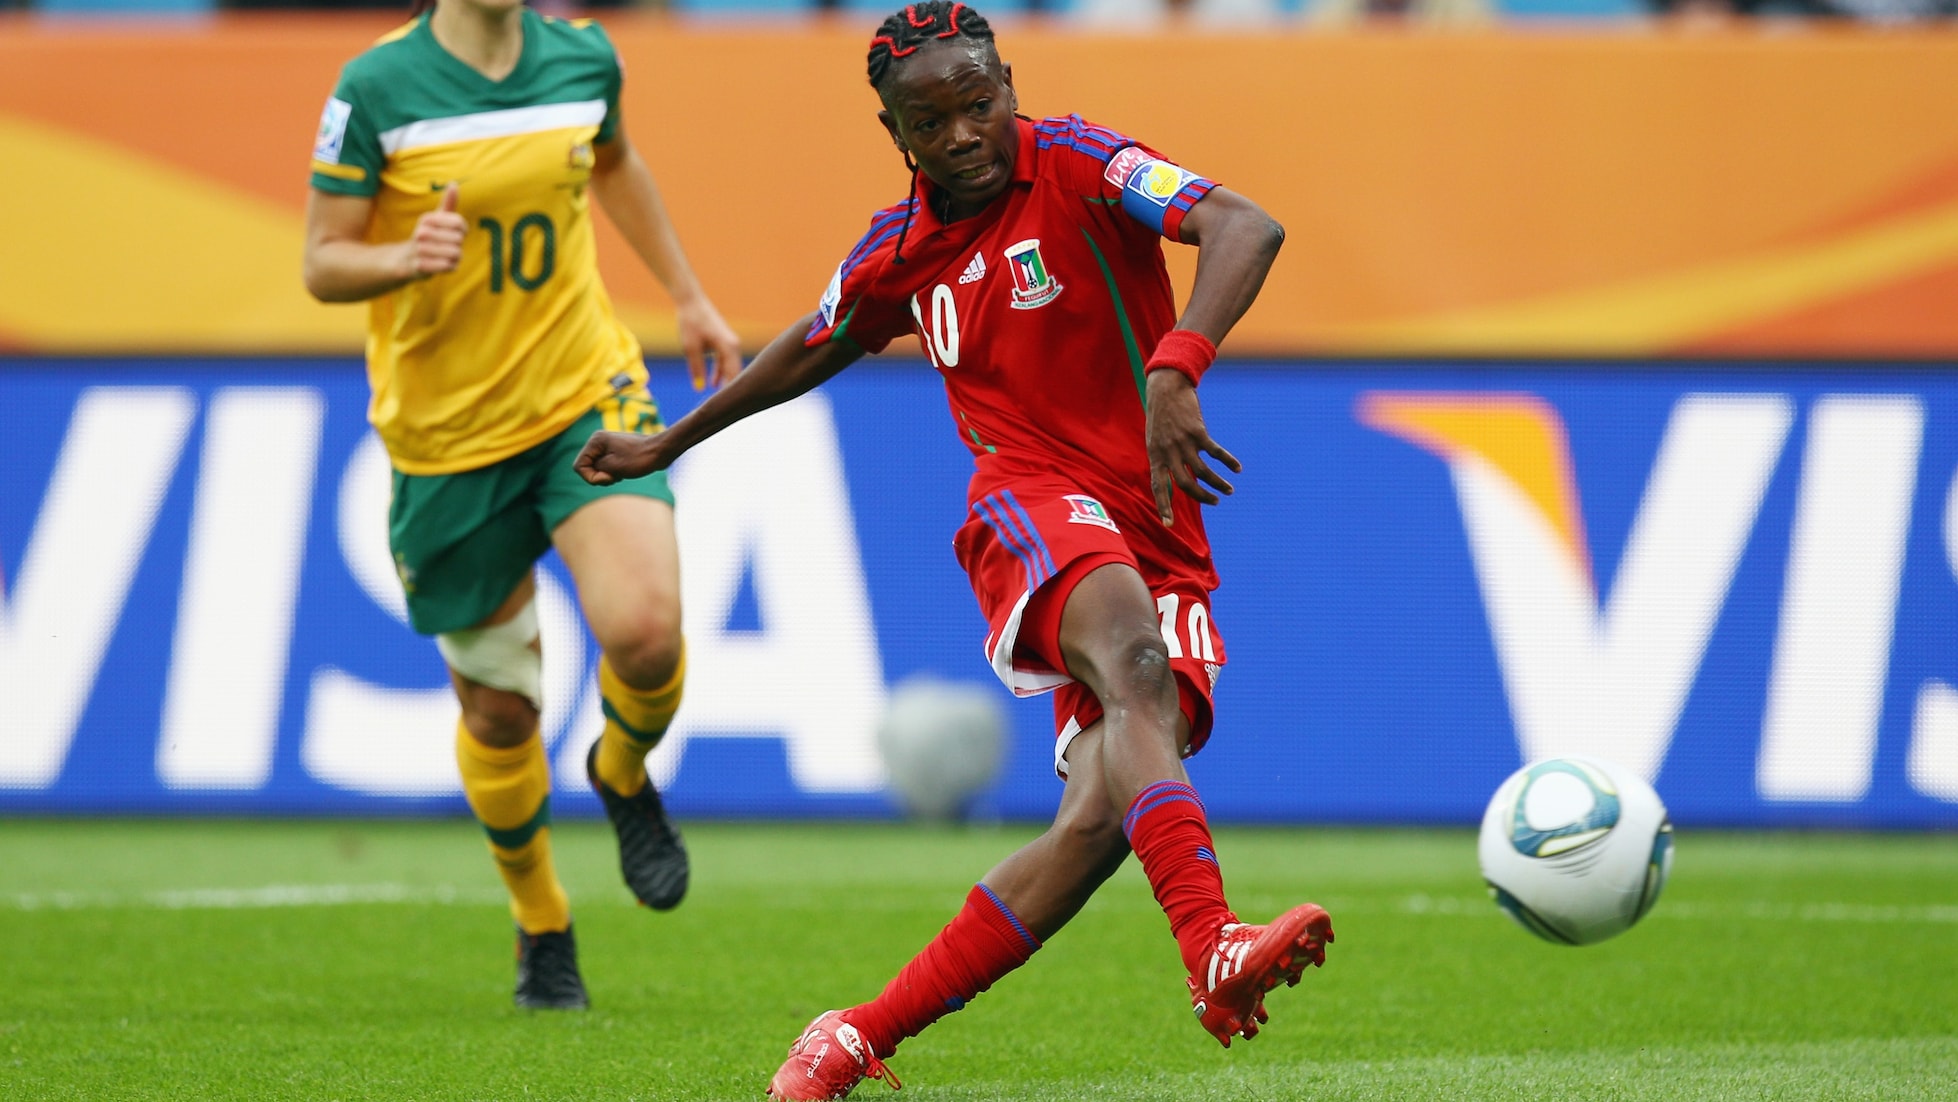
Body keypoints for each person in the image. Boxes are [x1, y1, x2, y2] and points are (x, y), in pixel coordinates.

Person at [577, 1, 1333, 1092]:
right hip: (1029, 502)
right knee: (1130, 664)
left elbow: (1243, 224)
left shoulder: (1078, 160)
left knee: (1096, 824)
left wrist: (1176, 361)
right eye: (931, 123)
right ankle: (1210, 941)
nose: (965, 134)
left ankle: (851, 1034)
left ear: (1007, 83)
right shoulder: (900, 248)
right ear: (896, 137)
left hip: (1157, 522)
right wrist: (671, 440)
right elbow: (811, 340)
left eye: (978, 104)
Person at [301, 0, 742, 1009]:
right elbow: (323, 259)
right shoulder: (376, 89)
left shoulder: (582, 57)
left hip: (578, 396)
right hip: (447, 441)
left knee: (644, 634)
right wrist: (399, 256)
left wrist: (684, 290)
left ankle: (621, 770)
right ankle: (541, 923)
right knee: (501, 715)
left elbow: (616, 161)